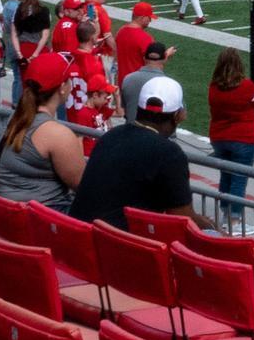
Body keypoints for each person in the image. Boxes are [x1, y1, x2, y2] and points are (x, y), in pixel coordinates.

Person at [68, 76, 194, 230]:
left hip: (79, 235)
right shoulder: (169, 153)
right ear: (177, 116)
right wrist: (211, 227)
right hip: (115, 244)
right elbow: (183, 218)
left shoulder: (111, 136)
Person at [0, 51, 87, 214]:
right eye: (69, 80)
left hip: (10, 210)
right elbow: (83, 185)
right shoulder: (57, 134)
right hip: (43, 218)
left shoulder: (18, 117)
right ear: (62, 88)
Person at [205, 47, 254, 235]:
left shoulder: (213, 87)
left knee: (226, 175)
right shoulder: (246, 86)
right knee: (239, 180)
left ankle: (224, 216)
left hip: (219, 137)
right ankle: (235, 222)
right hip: (242, 138)